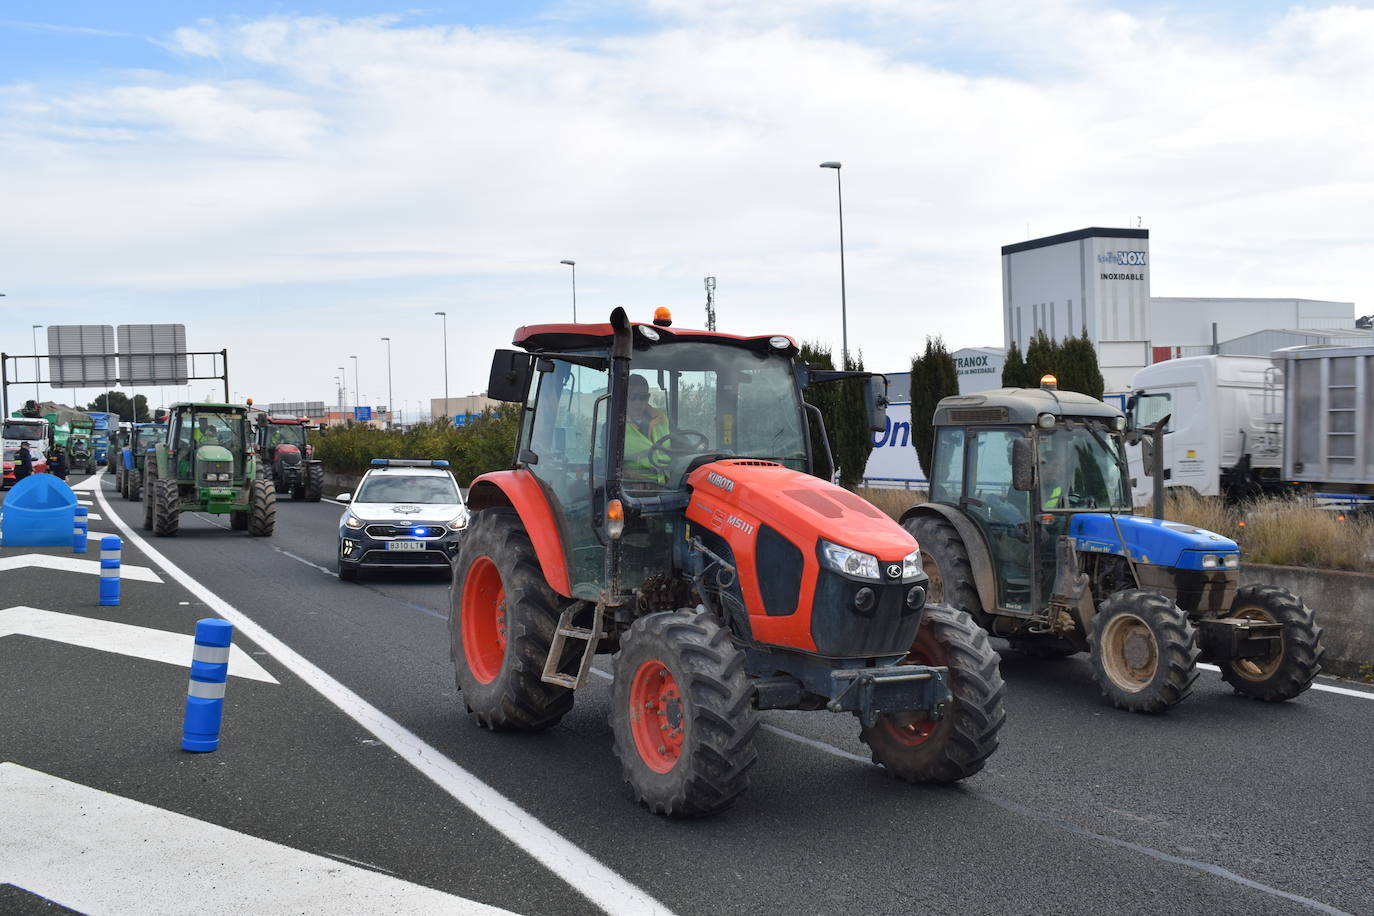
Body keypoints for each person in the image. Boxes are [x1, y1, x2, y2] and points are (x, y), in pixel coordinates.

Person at [623, 374, 670, 483]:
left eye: (643, 397)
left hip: (667, 482)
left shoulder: (662, 417)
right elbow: (608, 465)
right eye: (632, 397)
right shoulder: (614, 424)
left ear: (648, 397)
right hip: (631, 488)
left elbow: (678, 440)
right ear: (624, 396)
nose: (638, 402)